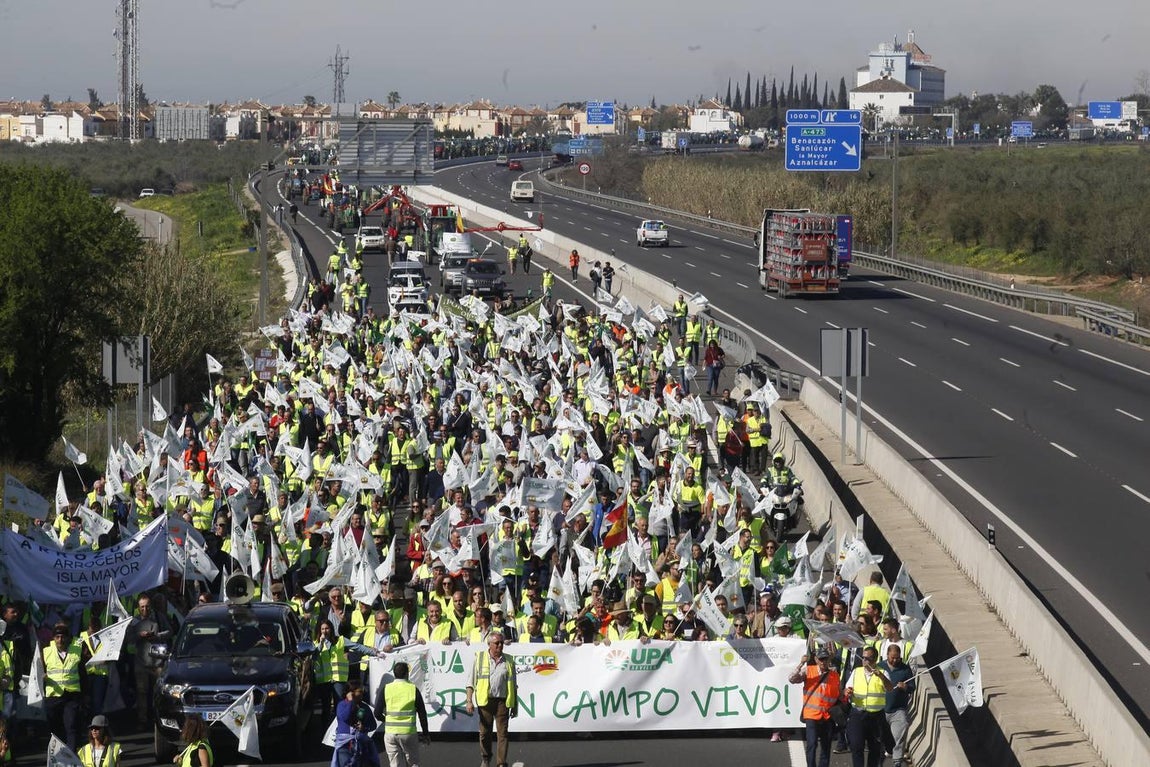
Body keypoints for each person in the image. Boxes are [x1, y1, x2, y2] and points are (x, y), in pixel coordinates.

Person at [465, 633, 517, 767]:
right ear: (489, 644)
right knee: (484, 733)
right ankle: (486, 758)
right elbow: (471, 682)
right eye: (496, 643)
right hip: (485, 701)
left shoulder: (509, 660)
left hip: (502, 701)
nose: (500, 645)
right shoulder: (479, 658)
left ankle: (501, 763)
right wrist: (469, 700)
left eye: (501, 642)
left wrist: (515, 705)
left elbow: (513, 684)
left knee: (503, 734)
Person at [790, 645, 841, 767]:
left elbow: (837, 694)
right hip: (811, 715)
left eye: (826, 659)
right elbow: (791, 679)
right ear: (816, 659)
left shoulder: (834, 674)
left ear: (829, 660)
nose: (823, 662)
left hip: (827, 716)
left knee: (826, 745)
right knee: (812, 744)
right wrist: (801, 664)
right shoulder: (809, 670)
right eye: (821, 659)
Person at [374, 660, 430, 767]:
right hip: (408, 733)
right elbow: (422, 714)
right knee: (413, 763)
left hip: (391, 733)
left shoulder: (387, 688)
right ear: (406, 674)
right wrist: (426, 733)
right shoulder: (413, 689)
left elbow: (377, 713)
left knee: (395, 764)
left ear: (394, 674)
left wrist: (387, 720)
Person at [844, 646, 891, 767]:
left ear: (875, 660)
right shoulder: (856, 672)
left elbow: (890, 688)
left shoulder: (883, 672)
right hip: (858, 715)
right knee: (856, 745)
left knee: (875, 749)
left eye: (868, 658)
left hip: (876, 716)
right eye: (863, 658)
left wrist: (881, 676)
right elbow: (847, 688)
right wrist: (847, 691)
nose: (864, 661)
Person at [43, 622, 83, 750]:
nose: (60, 640)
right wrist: (41, 676)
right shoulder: (46, 651)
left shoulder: (77, 650)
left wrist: (85, 695)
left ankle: (71, 755)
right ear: (53, 638)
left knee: (71, 725)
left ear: (68, 637)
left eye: (63, 637)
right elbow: (37, 671)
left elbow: (83, 673)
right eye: (57, 637)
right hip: (53, 696)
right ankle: (58, 755)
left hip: (71, 695)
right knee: (54, 728)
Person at [881, 645, 915, 767]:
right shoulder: (880, 667)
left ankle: (897, 761)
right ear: (887, 655)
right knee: (881, 739)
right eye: (892, 658)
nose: (895, 660)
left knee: (899, 734)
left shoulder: (905, 669)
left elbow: (912, 687)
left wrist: (906, 687)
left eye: (897, 658)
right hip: (881, 710)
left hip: (898, 710)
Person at [333, 681, 380, 767]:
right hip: (345, 745)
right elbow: (345, 717)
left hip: (361, 744)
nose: (363, 694)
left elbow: (373, 725)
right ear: (351, 693)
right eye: (360, 692)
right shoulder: (342, 704)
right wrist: (351, 702)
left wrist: (364, 728)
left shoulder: (364, 707)